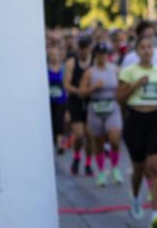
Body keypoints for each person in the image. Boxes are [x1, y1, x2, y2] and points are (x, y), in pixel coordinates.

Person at [117, 34, 157, 228]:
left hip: (156, 119)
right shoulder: (129, 71)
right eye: (143, 47)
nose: (147, 50)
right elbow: (119, 98)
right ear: (137, 51)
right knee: (138, 167)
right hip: (135, 120)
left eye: (149, 47)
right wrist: (135, 85)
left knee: (156, 166)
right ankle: (136, 197)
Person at [81, 42, 123, 187]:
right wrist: (93, 87)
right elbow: (81, 92)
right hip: (95, 108)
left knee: (114, 139)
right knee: (98, 142)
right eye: (100, 54)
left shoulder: (115, 69)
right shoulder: (90, 72)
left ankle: (115, 168)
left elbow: (123, 86)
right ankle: (101, 172)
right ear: (95, 55)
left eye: (104, 53)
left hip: (112, 107)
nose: (102, 56)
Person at [64, 35, 94, 176]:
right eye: (80, 48)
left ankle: (88, 163)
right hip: (75, 101)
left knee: (90, 136)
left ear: (89, 48)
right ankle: (76, 157)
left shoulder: (94, 61)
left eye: (85, 48)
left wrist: (88, 91)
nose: (83, 51)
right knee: (79, 135)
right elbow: (66, 84)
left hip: (91, 102)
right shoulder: (71, 62)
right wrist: (79, 92)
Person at [47, 41, 67, 154]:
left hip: (61, 99)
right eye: (51, 55)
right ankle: (52, 142)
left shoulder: (63, 68)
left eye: (55, 55)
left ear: (59, 56)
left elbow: (66, 84)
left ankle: (60, 144)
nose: (53, 57)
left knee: (60, 120)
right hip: (49, 100)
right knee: (52, 121)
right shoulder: (44, 68)